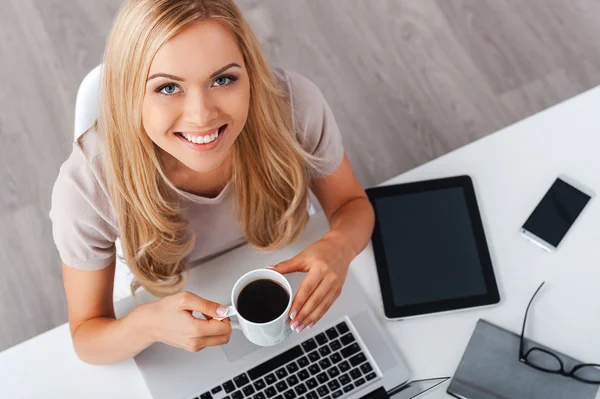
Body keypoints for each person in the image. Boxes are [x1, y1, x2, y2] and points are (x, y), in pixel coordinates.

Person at [50, 0, 374, 365]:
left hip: (286, 267)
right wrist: (147, 326)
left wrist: (340, 246)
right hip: (174, 300)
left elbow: (351, 205)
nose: (202, 116)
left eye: (223, 79)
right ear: (128, 93)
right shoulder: (86, 187)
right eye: (168, 88)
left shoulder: (294, 107)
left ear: (250, 73)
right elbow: (87, 337)